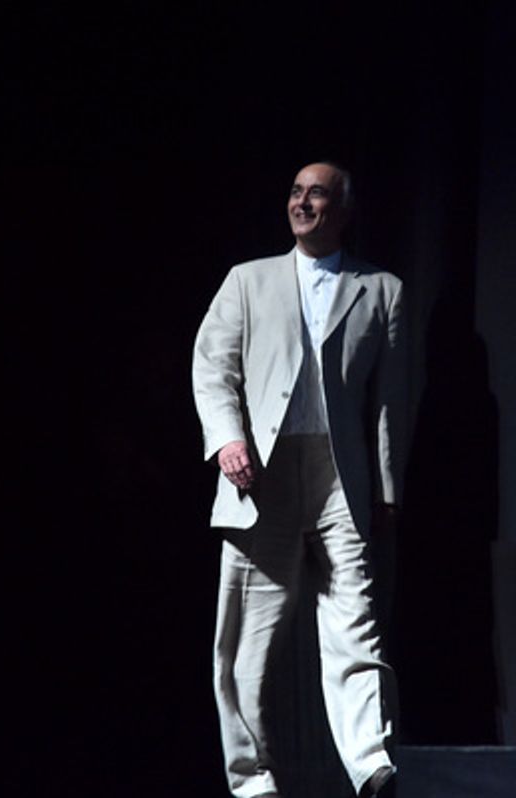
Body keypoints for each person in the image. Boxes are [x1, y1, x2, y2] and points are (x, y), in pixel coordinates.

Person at [193, 162, 406, 798]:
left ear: (344, 209)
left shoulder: (382, 289)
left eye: (317, 193)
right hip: (265, 471)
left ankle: (372, 765)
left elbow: (390, 401)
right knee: (247, 641)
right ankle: (252, 779)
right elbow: (213, 369)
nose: (302, 202)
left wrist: (388, 489)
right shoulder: (247, 281)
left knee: (355, 618)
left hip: (340, 475)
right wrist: (228, 438)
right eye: (294, 191)